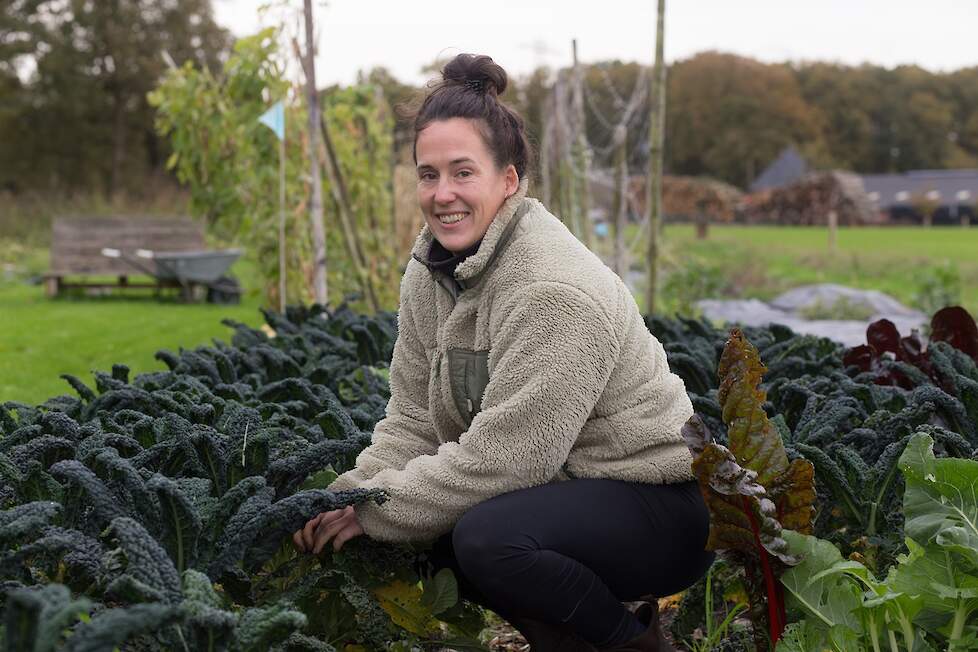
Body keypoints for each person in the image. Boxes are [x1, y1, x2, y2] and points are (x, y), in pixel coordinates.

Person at [293, 53, 713, 652]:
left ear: (508, 180)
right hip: (567, 494)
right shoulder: (430, 272)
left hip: (659, 507)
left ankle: (633, 645)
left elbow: (513, 461)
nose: (442, 194)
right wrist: (349, 495)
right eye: (428, 174)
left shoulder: (552, 289)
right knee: (434, 527)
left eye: (463, 172)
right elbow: (412, 420)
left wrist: (375, 510)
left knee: (484, 538)